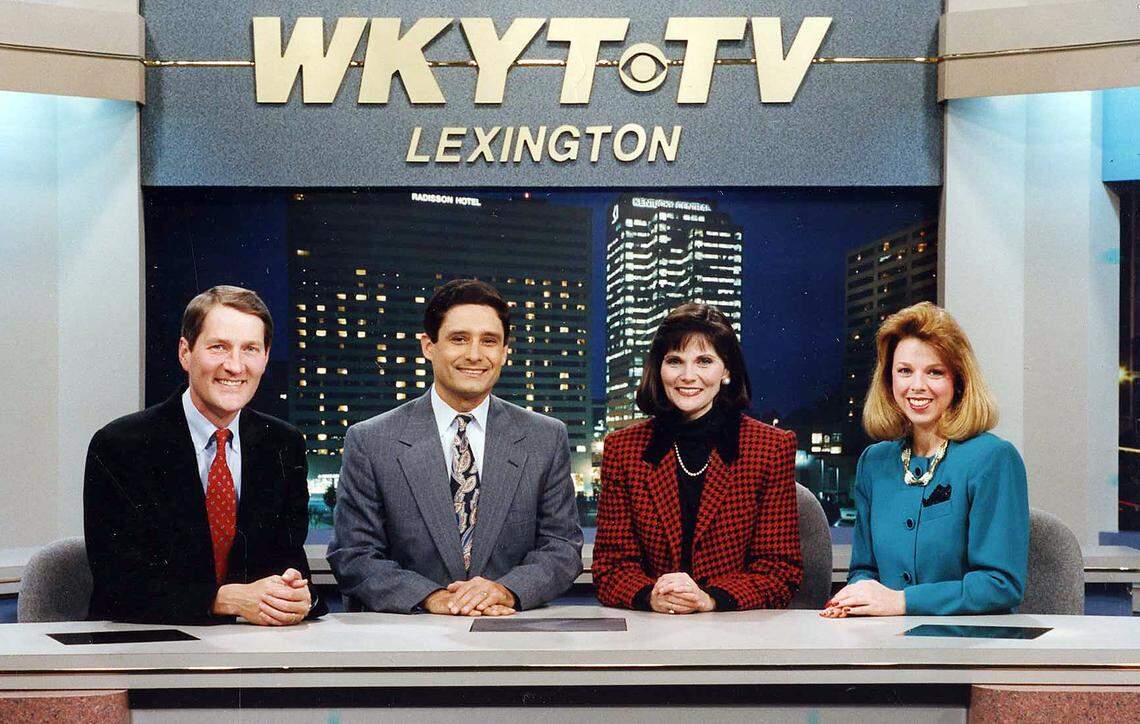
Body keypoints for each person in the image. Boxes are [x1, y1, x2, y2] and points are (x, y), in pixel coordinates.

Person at [327, 279, 582, 615]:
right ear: (428, 346)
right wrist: (435, 599)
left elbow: (562, 547)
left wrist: (505, 591)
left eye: (489, 341)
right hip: (410, 632)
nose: (474, 355)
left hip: (509, 628)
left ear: (505, 352)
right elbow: (354, 554)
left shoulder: (545, 438)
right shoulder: (371, 440)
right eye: (459, 339)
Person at [84, 286, 325, 625]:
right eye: (218, 347)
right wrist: (223, 599)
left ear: (266, 357)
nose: (235, 366)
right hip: (145, 644)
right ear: (185, 353)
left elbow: (289, 563)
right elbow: (119, 585)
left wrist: (300, 597)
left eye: (250, 349)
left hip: (251, 646)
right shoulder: (120, 445)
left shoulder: (284, 444)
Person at [823, 302, 1029, 618]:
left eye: (935, 372)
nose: (917, 386)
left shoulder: (992, 459)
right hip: (884, 638)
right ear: (889, 380)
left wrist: (902, 602)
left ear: (958, 381)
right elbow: (864, 570)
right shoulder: (874, 463)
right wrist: (854, 599)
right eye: (905, 371)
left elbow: (1001, 584)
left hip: (969, 641)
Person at [593, 303, 802, 613]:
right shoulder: (624, 449)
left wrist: (709, 598)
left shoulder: (770, 448)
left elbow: (780, 571)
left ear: (726, 370)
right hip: (651, 625)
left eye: (704, 361)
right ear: (659, 369)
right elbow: (610, 568)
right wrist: (652, 596)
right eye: (674, 361)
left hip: (734, 627)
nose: (688, 376)